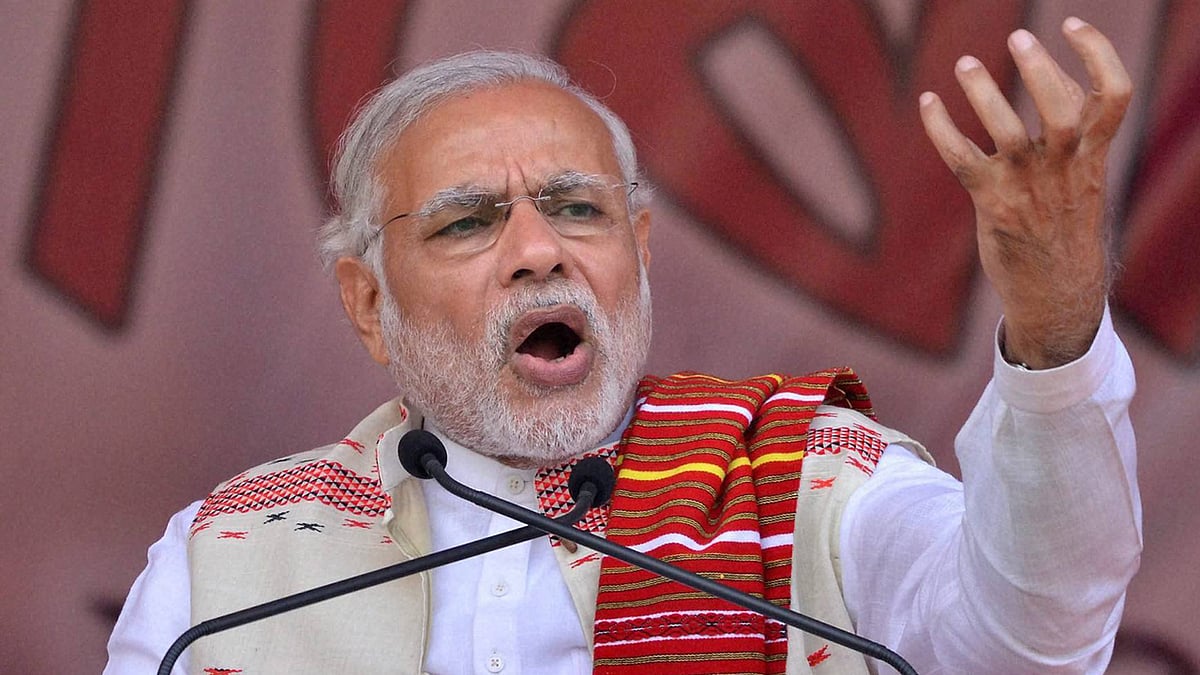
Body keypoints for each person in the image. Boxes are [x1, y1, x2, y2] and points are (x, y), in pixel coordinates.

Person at [105, 16, 1140, 675]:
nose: (538, 251)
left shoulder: (806, 479)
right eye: (468, 222)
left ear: (638, 254)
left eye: (577, 208)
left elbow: (1032, 643)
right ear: (369, 303)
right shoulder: (230, 564)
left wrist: (1054, 333)